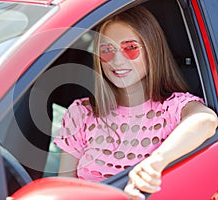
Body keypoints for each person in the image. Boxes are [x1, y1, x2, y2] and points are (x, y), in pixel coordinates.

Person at [53, 5, 218, 199]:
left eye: (130, 48)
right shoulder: (81, 113)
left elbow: (205, 120)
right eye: (106, 50)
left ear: (152, 50)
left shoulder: (171, 109)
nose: (117, 61)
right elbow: (64, 187)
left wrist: (155, 163)